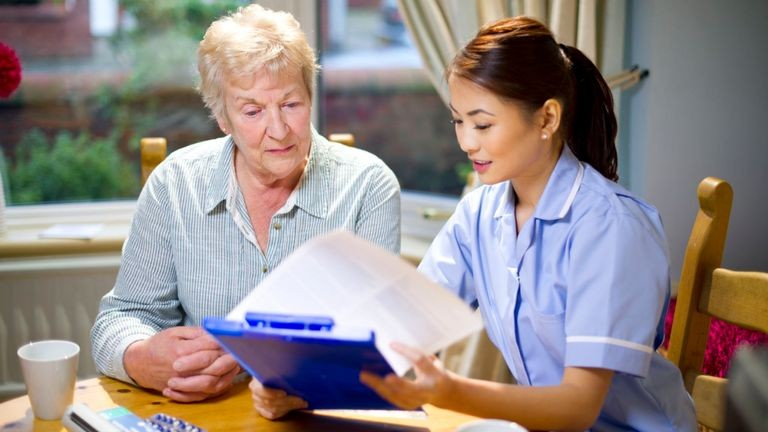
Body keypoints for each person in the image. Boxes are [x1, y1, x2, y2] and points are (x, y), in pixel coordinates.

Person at [252, 16, 697, 431]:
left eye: (483, 124)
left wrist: (450, 390)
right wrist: (300, 380)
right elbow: (403, 321)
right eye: (458, 121)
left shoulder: (611, 227)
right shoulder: (480, 214)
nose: (466, 141)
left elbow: (578, 407)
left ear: (547, 118)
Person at [91, 4, 400, 403]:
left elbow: (382, 338)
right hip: (202, 414)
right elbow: (121, 316)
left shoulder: (368, 187)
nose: (278, 129)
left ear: (310, 97)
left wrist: (301, 383)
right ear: (223, 118)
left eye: (291, 104)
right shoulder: (175, 184)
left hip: (318, 415)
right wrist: (139, 357)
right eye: (252, 111)